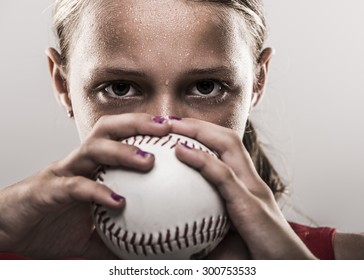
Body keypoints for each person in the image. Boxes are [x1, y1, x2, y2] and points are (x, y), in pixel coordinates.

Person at [0, 0, 363, 260]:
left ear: (257, 81)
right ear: (63, 85)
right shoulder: (15, 247)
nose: (163, 130)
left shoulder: (345, 261)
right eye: (120, 88)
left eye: (207, 87)